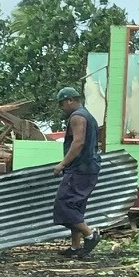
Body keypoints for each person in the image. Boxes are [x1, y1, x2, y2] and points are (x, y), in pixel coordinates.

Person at [52, 86, 102, 258]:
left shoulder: (77, 116)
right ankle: (75, 247)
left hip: (79, 169)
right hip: (89, 168)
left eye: (62, 104)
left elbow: (78, 142)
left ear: (70, 100)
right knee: (76, 207)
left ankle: (90, 235)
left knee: (64, 205)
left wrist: (62, 164)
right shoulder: (89, 116)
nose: (62, 108)